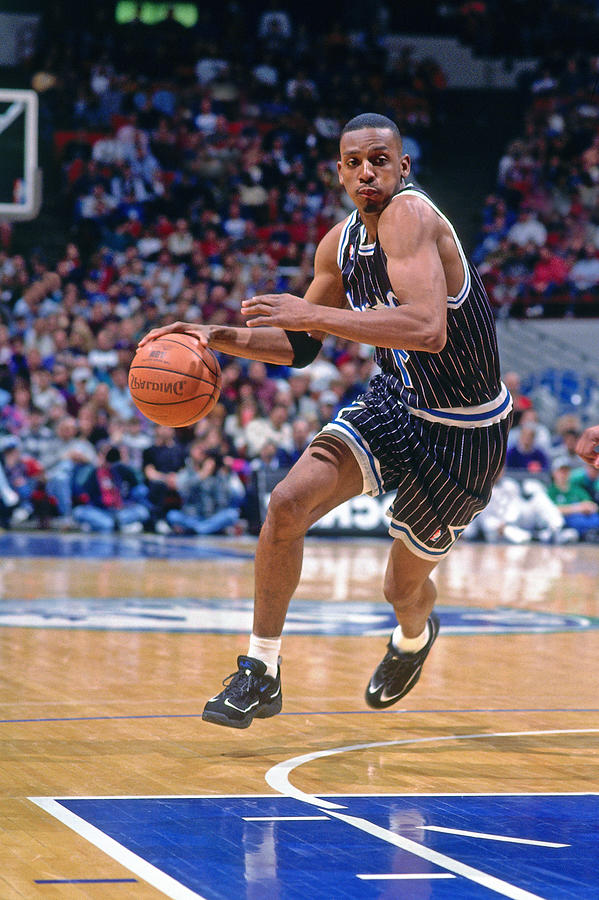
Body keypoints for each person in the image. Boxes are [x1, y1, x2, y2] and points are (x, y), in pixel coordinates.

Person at [139, 112, 513, 729]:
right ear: (339, 172)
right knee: (286, 503)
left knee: (401, 590)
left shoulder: (412, 217)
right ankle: (261, 671)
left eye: (380, 160)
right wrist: (215, 336)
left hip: (464, 430)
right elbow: (302, 346)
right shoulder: (337, 246)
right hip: (395, 401)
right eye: (355, 163)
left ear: (402, 167)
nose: (368, 172)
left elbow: (426, 327)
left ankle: (414, 639)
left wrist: (309, 315)